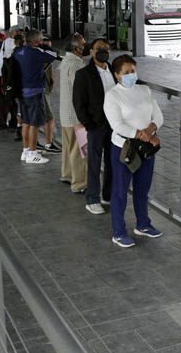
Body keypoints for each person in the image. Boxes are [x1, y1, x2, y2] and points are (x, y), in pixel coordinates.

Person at [103, 55, 164, 248]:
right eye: (126, 72)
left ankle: (143, 225)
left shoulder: (144, 90)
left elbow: (158, 116)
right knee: (120, 191)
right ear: (117, 75)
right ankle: (119, 232)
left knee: (142, 188)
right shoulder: (112, 95)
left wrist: (149, 131)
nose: (131, 75)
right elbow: (117, 125)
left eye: (133, 71)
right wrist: (141, 134)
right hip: (124, 149)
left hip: (145, 148)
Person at [73, 38, 114, 215]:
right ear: (91, 52)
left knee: (112, 162)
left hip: (114, 125)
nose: (103, 51)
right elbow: (78, 102)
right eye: (99, 49)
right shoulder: (83, 74)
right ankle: (92, 199)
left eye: (106, 48)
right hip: (96, 126)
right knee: (94, 163)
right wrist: (88, 124)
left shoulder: (113, 70)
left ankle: (108, 195)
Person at [14, 29, 61, 164]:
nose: (42, 41)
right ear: (35, 42)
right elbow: (54, 55)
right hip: (35, 92)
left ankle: (26, 151)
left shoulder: (18, 51)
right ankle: (33, 154)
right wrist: (44, 46)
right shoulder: (36, 53)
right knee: (34, 124)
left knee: (26, 122)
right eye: (40, 39)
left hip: (21, 92)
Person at [59, 34, 88, 194]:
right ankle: (79, 183)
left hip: (67, 114)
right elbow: (81, 90)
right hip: (77, 115)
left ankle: (67, 174)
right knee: (80, 151)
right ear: (76, 48)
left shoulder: (66, 60)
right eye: (83, 44)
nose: (86, 46)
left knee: (69, 147)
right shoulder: (76, 65)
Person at [0, 30, 19, 130]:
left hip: (1, 74)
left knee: (2, 100)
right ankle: (12, 122)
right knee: (10, 99)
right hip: (7, 76)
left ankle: (2, 122)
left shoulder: (5, 42)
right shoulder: (10, 42)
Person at [40, 37, 61, 154]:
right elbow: (56, 53)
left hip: (44, 88)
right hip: (42, 89)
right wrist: (47, 49)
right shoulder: (43, 56)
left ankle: (33, 145)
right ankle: (48, 144)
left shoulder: (39, 55)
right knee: (49, 118)